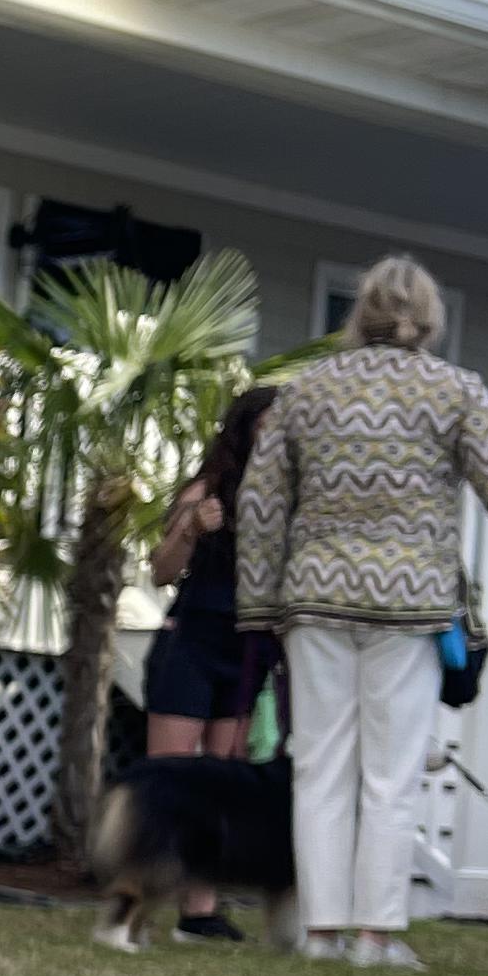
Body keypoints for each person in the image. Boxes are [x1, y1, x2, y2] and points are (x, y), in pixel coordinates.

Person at [239, 255, 488, 967]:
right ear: (430, 318)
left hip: (316, 599)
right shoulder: (455, 392)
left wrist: (259, 604)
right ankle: (376, 937)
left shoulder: (306, 391)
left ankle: (322, 934)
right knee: (391, 773)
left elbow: (261, 502)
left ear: (362, 312)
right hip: (408, 605)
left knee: (318, 768)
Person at [142, 382, 280, 938]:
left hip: (248, 649)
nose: (279, 432)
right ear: (246, 428)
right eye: (270, 422)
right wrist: (192, 529)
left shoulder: (286, 497)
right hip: (193, 643)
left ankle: (198, 912)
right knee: (172, 781)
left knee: (222, 785)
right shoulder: (208, 489)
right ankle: (137, 902)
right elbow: (161, 570)